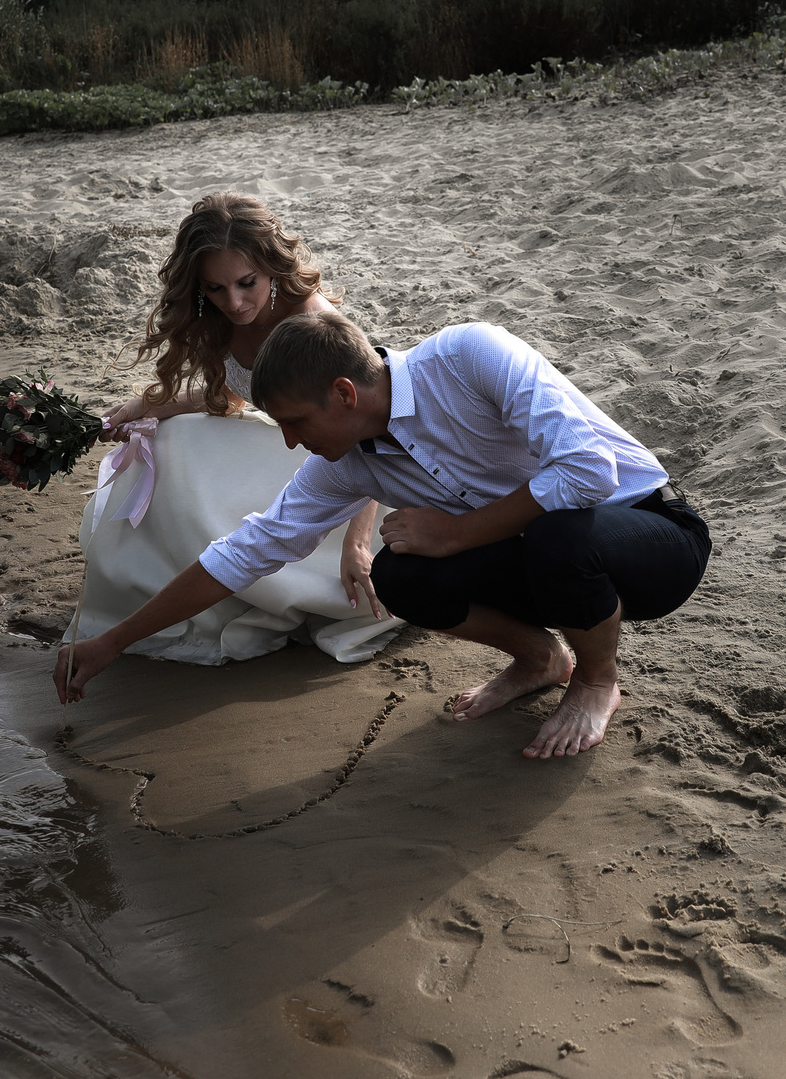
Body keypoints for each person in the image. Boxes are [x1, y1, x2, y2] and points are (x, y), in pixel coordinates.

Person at [58, 310, 710, 760]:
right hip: (546, 561)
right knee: (400, 573)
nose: (286, 439)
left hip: (654, 534)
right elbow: (246, 551)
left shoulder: (469, 355)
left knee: (556, 534)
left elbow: (589, 469)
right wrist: (113, 641)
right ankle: (541, 659)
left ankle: (596, 679)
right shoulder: (347, 460)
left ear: (344, 392)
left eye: (293, 421)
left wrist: (461, 531)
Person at [75, 196, 398, 666]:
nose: (234, 302)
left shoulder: (315, 320)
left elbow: (371, 429)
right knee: (170, 441)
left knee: (226, 465)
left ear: (272, 268)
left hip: (345, 466)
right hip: (284, 440)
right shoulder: (219, 315)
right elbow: (231, 397)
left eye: (247, 284)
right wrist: (147, 405)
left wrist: (358, 543)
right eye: (216, 288)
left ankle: (287, 584)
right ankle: (197, 591)